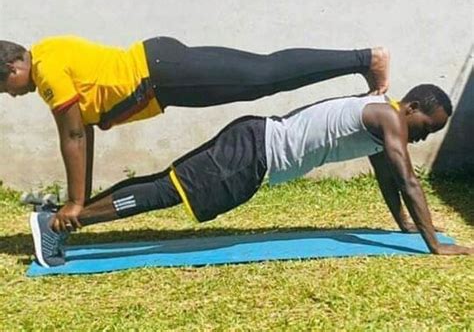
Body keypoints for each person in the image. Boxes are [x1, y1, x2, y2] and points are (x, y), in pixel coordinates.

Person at [30, 84, 473, 267]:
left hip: (253, 145)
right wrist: (435, 245)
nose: (420, 138)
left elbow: (390, 181)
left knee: (166, 184)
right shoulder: (388, 116)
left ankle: (68, 214)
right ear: (411, 109)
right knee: (166, 190)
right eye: (425, 129)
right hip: (251, 153)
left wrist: (407, 226)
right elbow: (410, 180)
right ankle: (60, 224)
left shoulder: (379, 124)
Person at [0, 35, 389, 231]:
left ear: (14, 69)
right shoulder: (48, 51)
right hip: (162, 64)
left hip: (162, 76)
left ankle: (365, 58)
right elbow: (84, 130)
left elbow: (73, 137)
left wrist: (73, 203)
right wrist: (77, 202)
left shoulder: (47, 75)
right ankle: (362, 59)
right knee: (263, 74)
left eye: (7, 89)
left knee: (264, 76)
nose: (14, 96)